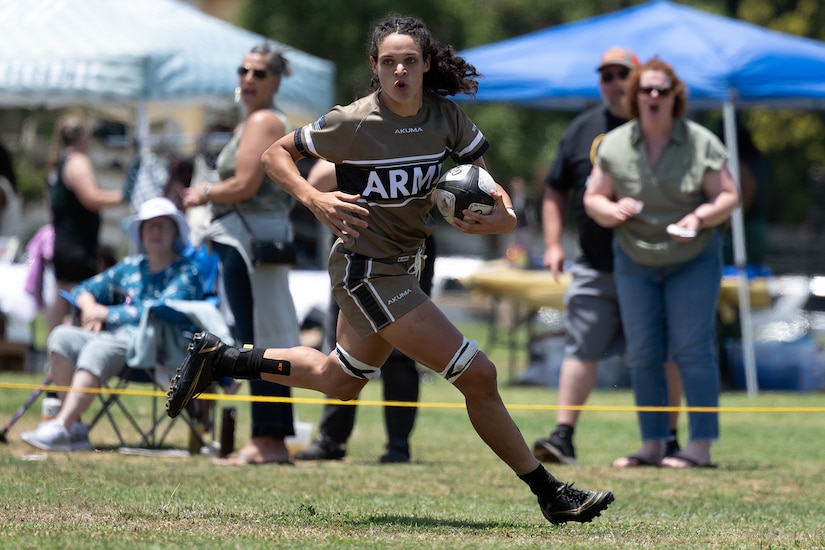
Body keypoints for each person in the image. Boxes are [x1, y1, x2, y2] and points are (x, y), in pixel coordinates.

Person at [167, 15, 613, 524]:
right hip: (367, 271)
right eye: (388, 62)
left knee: (339, 379)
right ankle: (550, 492)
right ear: (374, 68)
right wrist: (316, 198)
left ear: (425, 65)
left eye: (409, 61)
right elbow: (274, 156)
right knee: (480, 374)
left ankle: (221, 359)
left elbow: (488, 186)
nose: (399, 70)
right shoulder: (353, 121)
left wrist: (501, 218)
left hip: (404, 265)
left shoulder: (445, 118)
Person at [583, 58, 739, 468]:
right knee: (644, 353)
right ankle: (653, 444)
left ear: (675, 97)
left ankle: (700, 447)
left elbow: (728, 195)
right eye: (646, 89)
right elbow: (592, 197)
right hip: (635, 258)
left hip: (693, 258)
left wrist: (699, 216)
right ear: (634, 97)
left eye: (662, 90)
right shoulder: (615, 143)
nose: (653, 96)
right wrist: (611, 210)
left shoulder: (700, 141)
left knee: (692, 350)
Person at [533, 48, 684, 466]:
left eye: (623, 74)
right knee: (580, 348)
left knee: (663, 352)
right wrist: (553, 244)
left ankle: (667, 438)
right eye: (606, 76)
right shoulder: (584, 129)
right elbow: (556, 189)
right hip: (597, 266)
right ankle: (563, 437)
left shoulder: (660, 128)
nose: (614, 82)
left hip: (654, 265)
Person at [182, 44, 300, 466]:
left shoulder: (266, 121)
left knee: (263, 344)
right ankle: (265, 438)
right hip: (246, 242)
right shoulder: (255, 121)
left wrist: (204, 192)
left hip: (252, 244)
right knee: (257, 341)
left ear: (276, 80)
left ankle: (270, 441)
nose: (249, 78)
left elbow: (246, 186)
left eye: (259, 73)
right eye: (244, 70)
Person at [21, 197, 203, 452]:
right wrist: (89, 307)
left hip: (159, 348)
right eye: (149, 225)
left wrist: (104, 314)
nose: (156, 231)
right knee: (61, 337)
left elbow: (161, 309)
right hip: (119, 341)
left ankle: (61, 425)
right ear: (140, 232)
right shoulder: (130, 267)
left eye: (163, 225)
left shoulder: (187, 270)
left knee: (100, 347)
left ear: (176, 231)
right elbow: (84, 288)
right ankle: (74, 430)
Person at [295, 158, 429, 464]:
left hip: (409, 251)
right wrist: (364, 162)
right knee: (341, 349)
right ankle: (331, 440)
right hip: (355, 251)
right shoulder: (354, 132)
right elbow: (317, 178)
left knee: (403, 350)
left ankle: (398, 445)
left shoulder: (427, 132)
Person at [46, 115, 124, 331]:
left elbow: (50, 207)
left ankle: (51, 352)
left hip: (63, 241)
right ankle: (69, 349)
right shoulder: (77, 161)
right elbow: (91, 198)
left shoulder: (57, 163)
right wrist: (124, 196)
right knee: (80, 295)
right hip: (77, 245)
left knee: (61, 296)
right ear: (83, 137)